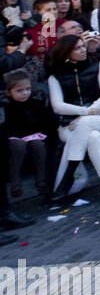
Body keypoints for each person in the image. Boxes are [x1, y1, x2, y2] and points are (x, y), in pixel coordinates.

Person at [45, 34, 100, 206]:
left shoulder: (98, 65)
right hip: (69, 126)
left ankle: (68, 176)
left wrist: (84, 115)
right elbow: (58, 106)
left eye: (82, 46)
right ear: (66, 52)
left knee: (85, 124)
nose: (83, 50)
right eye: (77, 48)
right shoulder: (55, 76)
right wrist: (86, 112)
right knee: (93, 137)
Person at [4, 70, 50, 204]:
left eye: (27, 89)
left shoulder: (34, 102)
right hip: (14, 135)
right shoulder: (7, 105)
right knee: (18, 148)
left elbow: (41, 120)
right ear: (9, 92)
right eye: (19, 91)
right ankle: (15, 184)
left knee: (38, 147)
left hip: (31, 133)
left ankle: (41, 181)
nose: (25, 93)